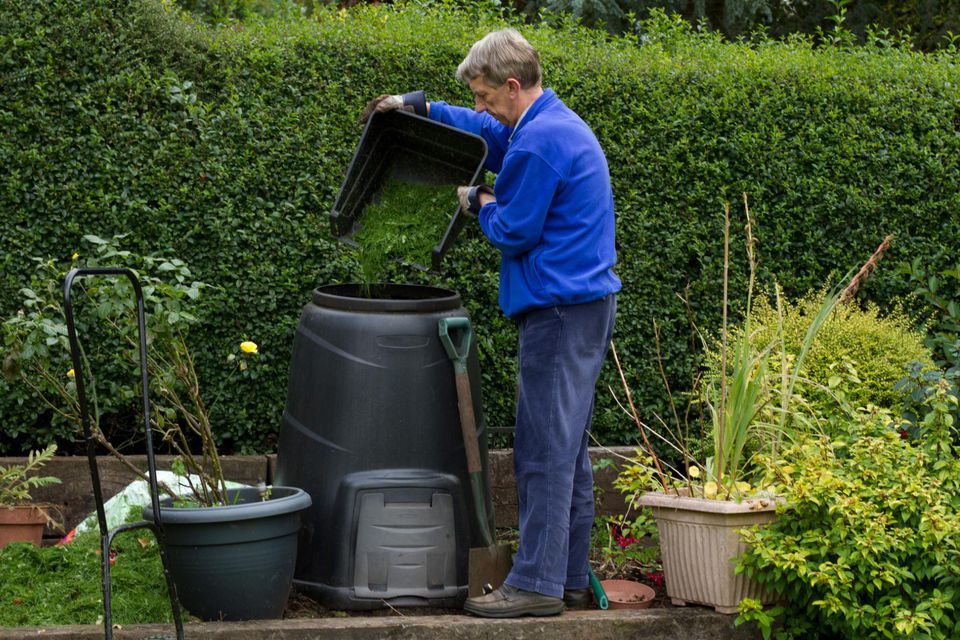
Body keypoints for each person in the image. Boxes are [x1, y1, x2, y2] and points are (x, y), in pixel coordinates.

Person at [363, 28, 620, 618]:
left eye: (482, 95)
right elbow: (486, 133)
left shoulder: (538, 145)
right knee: (566, 452)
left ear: (511, 85)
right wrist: (420, 106)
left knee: (542, 451)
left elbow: (514, 231)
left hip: (559, 312)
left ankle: (534, 586)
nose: (480, 108)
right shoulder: (544, 124)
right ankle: (570, 577)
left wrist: (479, 201)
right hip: (581, 306)